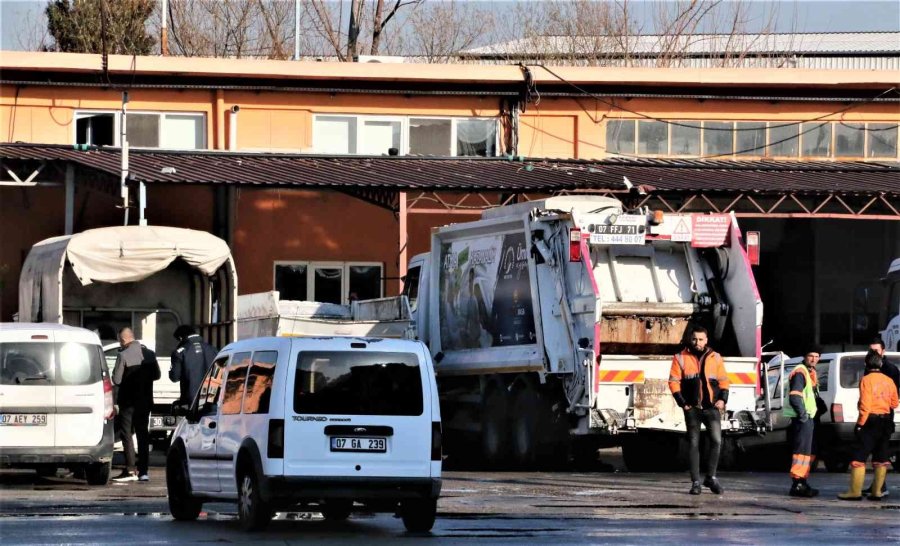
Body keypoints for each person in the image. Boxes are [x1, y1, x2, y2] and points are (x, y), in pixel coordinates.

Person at [668, 325, 730, 495]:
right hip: (693, 408)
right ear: (690, 339)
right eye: (694, 339)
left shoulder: (715, 357)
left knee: (717, 441)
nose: (697, 342)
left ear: (706, 340)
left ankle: (711, 478)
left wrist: (723, 400)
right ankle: (696, 482)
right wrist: (683, 403)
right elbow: (673, 382)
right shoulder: (680, 357)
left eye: (701, 339)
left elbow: (724, 380)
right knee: (694, 444)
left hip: (711, 408)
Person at [838, 350, 898, 501]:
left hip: (870, 422)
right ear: (881, 364)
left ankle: (855, 492)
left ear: (866, 364)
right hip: (885, 422)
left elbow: (865, 405)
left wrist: (860, 424)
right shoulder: (889, 381)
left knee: (859, 457)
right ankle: (877, 492)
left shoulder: (866, 380)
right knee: (881, 457)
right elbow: (895, 403)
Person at [112, 327, 160, 482]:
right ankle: (144, 471)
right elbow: (157, 375)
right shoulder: (150, 354)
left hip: (128, 402)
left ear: (124, 340)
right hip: (145, 401)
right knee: (142, 434)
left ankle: (130, 469)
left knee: (127, 434)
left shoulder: (123, 355)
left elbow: (117, 380)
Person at [784, 346, 824, 497]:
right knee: (802, 451)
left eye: (816, 356)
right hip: (803, 419)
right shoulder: (801, 372)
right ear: (805, 356)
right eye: (811, 356)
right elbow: (795, 396)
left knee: (808, 451)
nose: (814, 359)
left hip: (808, 418)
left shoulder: (809, 372)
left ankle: (802, 481)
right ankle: (798, 483)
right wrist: (803, 415)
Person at [864, 337, 899, 497]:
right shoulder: (869, 367)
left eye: (876, 350)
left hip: (883, 418)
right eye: (871, 350)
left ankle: (880, 487)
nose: (873, 353)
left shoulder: (890, 369)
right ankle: (877, 485)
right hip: (870, 417)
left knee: (881, 453)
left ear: (883, 351)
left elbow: (895, 397)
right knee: (875, 453)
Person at [169, 325, 217, 407]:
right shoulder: (213, 349)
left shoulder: (180, 352)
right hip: (212, 399)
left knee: (192, 419)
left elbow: (175, 377)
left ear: (181, 338)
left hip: (191, 401)